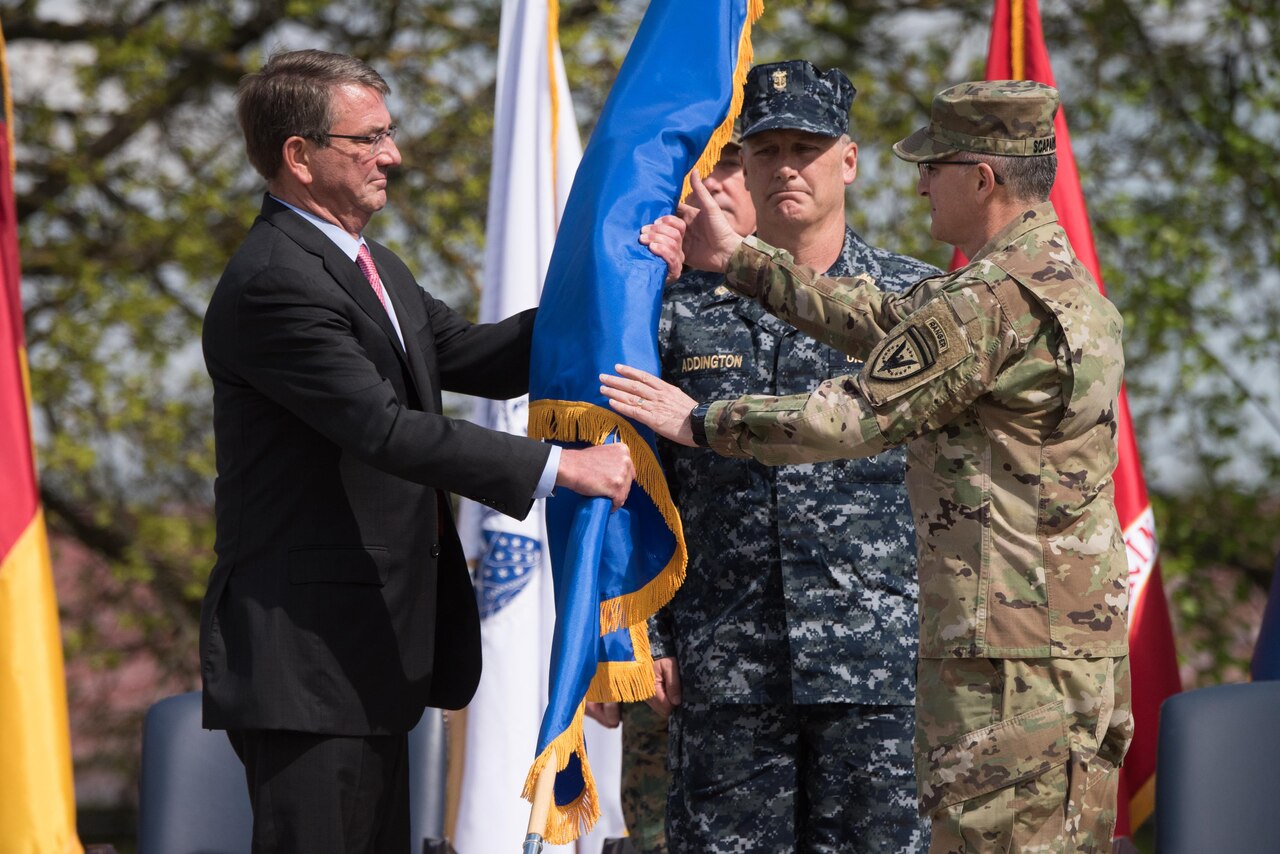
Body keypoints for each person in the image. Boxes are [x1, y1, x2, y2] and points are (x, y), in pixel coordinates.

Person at [605, 80, 1132, 853]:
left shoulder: (996, 301)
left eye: (934, 166)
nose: (920, 182)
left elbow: (855, 414)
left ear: (980, 178)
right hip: (1025, 657)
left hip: (1012, 673)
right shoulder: (1032, 280)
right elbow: (888, 322)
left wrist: (700, 419)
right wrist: (746, 264)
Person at [200, 49, 633, 852]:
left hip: (370, 655)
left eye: (388, 134)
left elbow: (478, 355)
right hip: (308, 663)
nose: (392, 155)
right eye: (367, 139)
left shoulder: (371, 266)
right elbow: (384, 428)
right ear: (299, 156)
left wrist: (619, 284)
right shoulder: (274, 283)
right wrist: (558, 468)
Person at [650, 61, 938, 854]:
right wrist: (649, 633)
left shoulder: (914, 305)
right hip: (727, 661)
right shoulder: (678, 312)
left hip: (877, 659)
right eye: (765, 149)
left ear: (847, 160)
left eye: (805, 148)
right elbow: (648, 480)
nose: (785, 167)